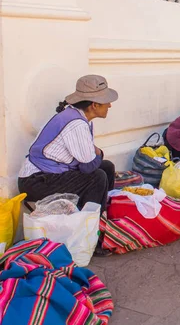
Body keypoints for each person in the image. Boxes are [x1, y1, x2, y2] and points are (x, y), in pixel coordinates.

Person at [18, 75, 118, 256]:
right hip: (36, 181)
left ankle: (100, 222)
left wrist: (97, 156)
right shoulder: (76, 123)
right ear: (94, 105)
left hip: (51, 175)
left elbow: (87, 160)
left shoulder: (78, 118)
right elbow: (88, 166)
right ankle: (89, 236)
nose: (109, 105)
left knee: (107, 167)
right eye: (106, 102)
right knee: (97, 176)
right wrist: (99, 153)